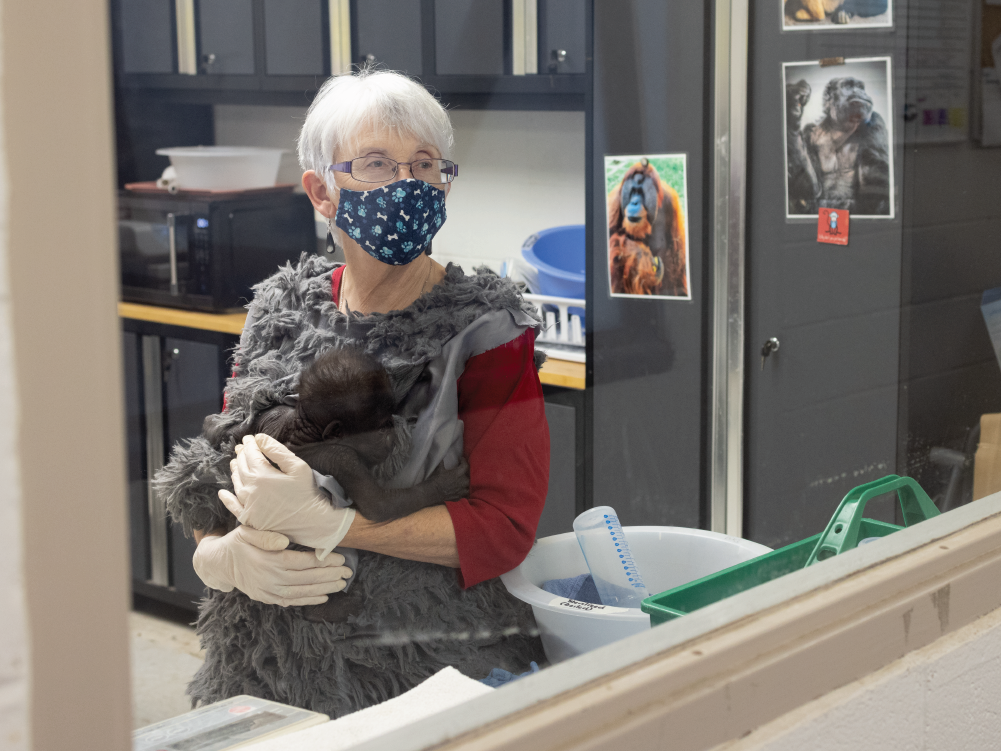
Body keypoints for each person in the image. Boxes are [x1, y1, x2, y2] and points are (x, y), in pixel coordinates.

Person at [156, 68, 550, 718]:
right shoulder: (278, 308)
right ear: (322, 191)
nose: (408, 183)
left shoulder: (485, 329)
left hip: (417, 668)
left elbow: (505, 528)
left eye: (426, 164)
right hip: (262, 665)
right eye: (375, 163)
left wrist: (341, 524)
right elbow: (214, 471)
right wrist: (216, 557)